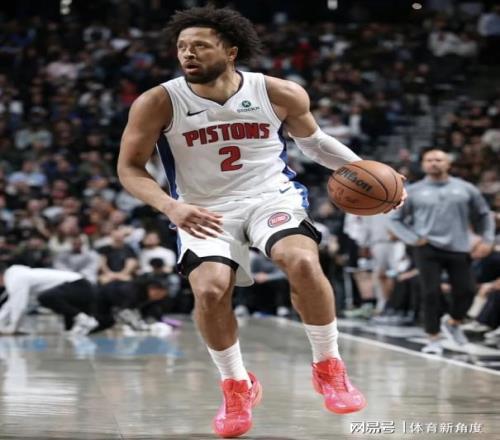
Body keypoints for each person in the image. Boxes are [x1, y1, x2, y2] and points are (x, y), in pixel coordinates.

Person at [117, 6, 405, 437]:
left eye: (200, 45)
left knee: (301, 261)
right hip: (204, 207)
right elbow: (129, 168)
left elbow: (315, 144)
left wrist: (371, 173)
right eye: (182, 47)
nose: (188, 54)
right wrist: (170, 207)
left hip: (270, 197)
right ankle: (236, 385)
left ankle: (328, 365)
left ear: (231, 51)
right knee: (210, 289)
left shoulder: (277, 92)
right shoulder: (158, 101)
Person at [389, 148, 495, 355]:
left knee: (467, 291)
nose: (434, 163)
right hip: (426, 247)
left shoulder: (465, 188)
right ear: (423, 165)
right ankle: (433, 337)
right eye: (429, 160)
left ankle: (453, 322)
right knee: (431, 293)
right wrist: (413, 238)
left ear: (448, 164)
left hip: (459, 246)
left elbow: (484, 215)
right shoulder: (413, 191)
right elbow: (395, 219)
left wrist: (487, 240)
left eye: (438, 159)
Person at [0, 264, 97, 335]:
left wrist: (13, 328)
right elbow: (11, 303)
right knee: (69, 330)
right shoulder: (17, 275)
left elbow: (19, 306)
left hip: (78, 287)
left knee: (44, 298)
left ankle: (84, 319)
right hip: (80, 287)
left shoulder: (15, 278)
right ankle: (83, 321)